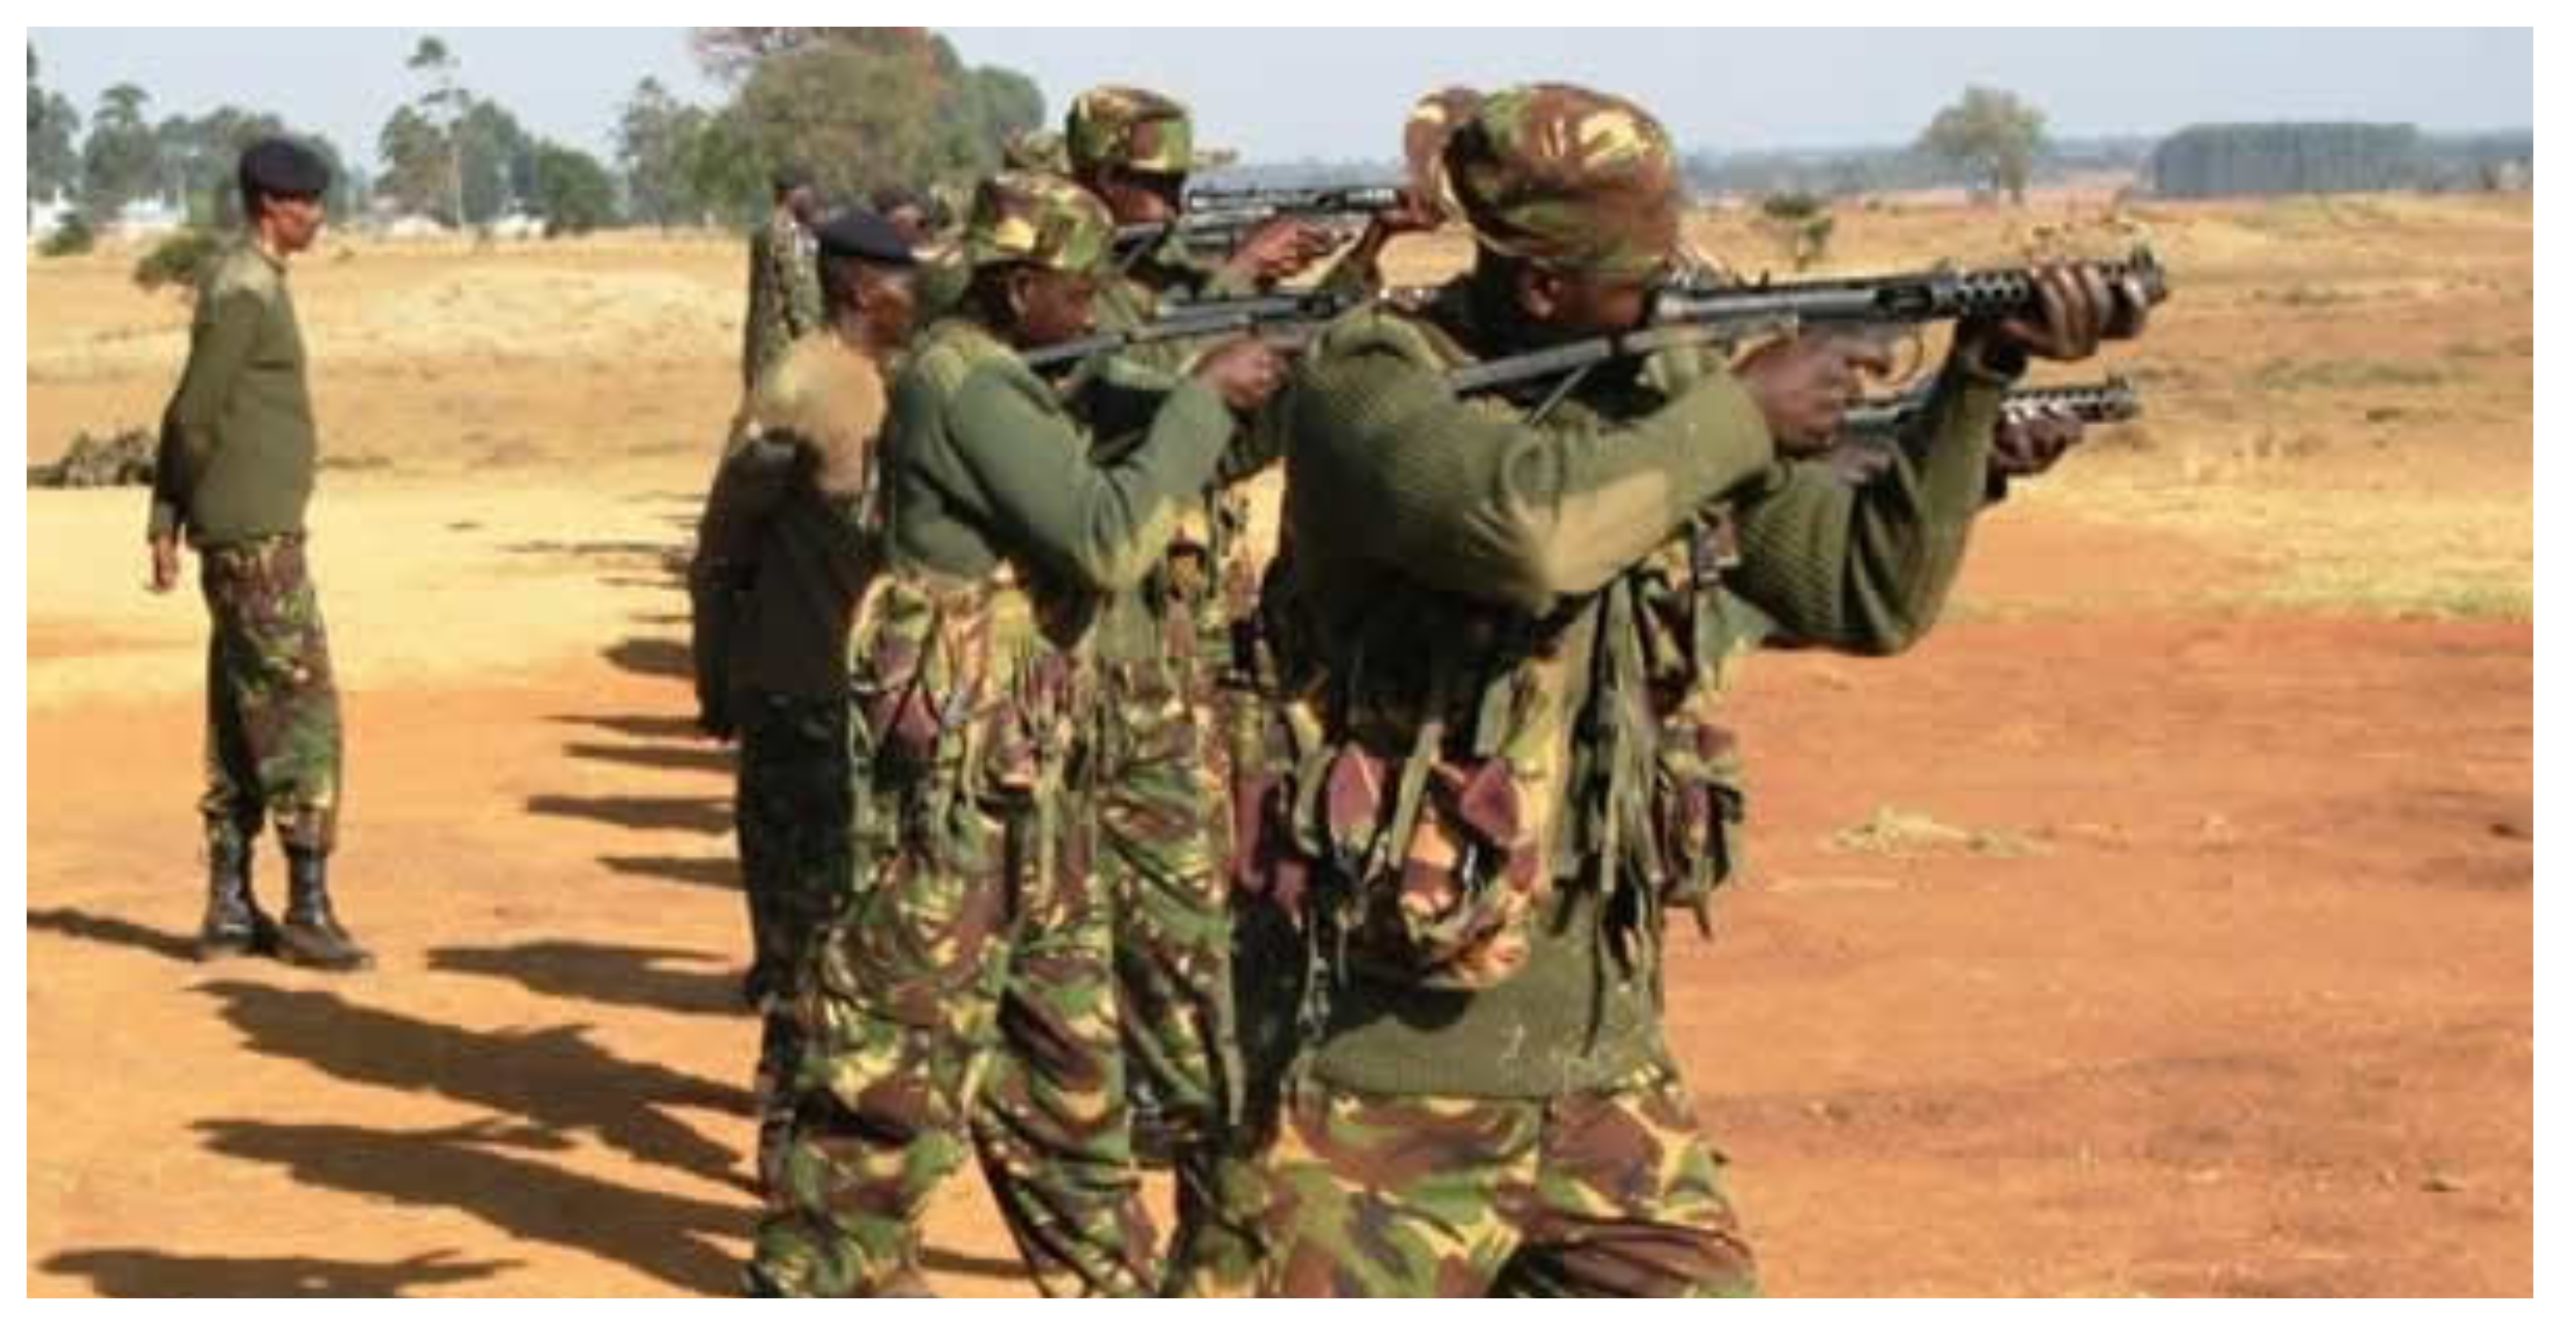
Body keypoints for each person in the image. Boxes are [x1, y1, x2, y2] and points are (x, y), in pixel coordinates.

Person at [1247, 82, 2145, 1297]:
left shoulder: (1653, 392)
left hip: (1601, 1072)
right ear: (1540, 286)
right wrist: (1742, 409)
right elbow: (1537, 534)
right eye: (1645, 277)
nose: (1676, 297)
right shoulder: (1373, 381)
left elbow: (1860, 591)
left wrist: (1972, 383)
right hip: (1376, 1079)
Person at [747, 172, 1289, 1298]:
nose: (1094, 311)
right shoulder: (965, 383)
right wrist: (1194, 398)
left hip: (1032, 787)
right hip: (950, 805)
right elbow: (1100, 537)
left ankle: (1109, 1275)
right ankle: (828, 1273)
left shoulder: (1011, 370)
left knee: (1066, 1062)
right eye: (1080, 291)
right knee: (889, 1063)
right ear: (1024, 283)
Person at [1054, 82, 1437, 1296]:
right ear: (1090, 183)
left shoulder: (1153, 288)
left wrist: (1361, 258)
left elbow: (1239, 426)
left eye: (1180, 187)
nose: (1167, 206)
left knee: (1216, 936)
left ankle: (1200, 1182)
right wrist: (1234, 286)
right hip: (1090, 679)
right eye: (1146, 186)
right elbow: (1122, 397)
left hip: (1189, 667)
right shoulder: (1059, 297)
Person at [689, 207, 921, 1202]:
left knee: (872, 929)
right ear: (865, 289)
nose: (921, 293)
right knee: (801, 938)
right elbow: (722, 542)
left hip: (876, 701)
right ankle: (789, 1140)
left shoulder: (891, 382)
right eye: (906, 280)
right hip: (802, 696)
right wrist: (716, 673)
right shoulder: (798, 390)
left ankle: (848, 1124)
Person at [145, 137, 369, 971]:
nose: (318, 215)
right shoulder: (244, 288)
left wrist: (168, 515)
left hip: (243, 532)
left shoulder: (248, 280)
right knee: (302, 710)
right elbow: (193, 413)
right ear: (275, 205)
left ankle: (231, 909)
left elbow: (191, 409)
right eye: (308, 203)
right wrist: (168, 510)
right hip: (256, 541)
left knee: (240, 715)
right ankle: (307, 906)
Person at [741, 166, 824, 395]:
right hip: (781, 348)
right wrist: (814, 340)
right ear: (793, 194)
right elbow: (796, 291)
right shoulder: (783, 231)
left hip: (769, 348)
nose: (813, 199)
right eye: (809, 193)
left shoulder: (772, 229)